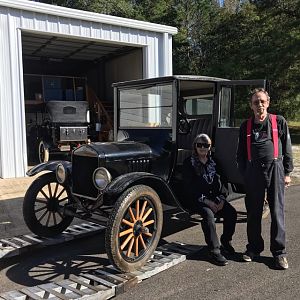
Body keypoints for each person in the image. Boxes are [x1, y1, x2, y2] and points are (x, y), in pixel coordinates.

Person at [237, 88, 294, 270]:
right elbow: (240, 154)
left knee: (277, 212)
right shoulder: (245, 126)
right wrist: (245, 173)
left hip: (275, 169)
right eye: (256, 102)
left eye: (262, 101)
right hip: (253, 172)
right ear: (251, 105)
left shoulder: (278, 121)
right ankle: (253, 248)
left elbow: (287, 148)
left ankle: (279, 253)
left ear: (268, 103)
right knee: (253, 212)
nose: (259, 104)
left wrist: (287, 172)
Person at [183, 133, 237, 266]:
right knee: (208, 215)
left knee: (232, 213)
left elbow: (224, 181)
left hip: (215, 198)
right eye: (199, 145)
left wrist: (222, 199)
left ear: (210, 147)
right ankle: (214, 250)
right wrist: (207, 202)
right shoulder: (189, 163)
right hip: (197, 199)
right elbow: (188, 187)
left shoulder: (215, 162)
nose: (203, 148)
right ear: (195, 146)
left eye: (206, 145)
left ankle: (226, 240)